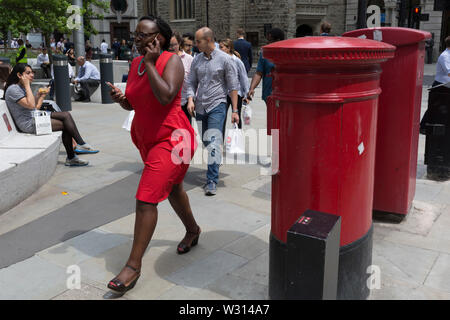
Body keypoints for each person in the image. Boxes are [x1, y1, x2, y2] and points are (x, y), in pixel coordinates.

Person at [106, 15, 200, 295]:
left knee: (146, 199)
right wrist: (123, 101)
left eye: (144, 35)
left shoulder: (171, 61)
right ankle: (193, 230)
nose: (137, 39)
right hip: (147, 139)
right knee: (173, 190)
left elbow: (166, 95)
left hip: (173, 139)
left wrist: (150, 62)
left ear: (159, 38)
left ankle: (132, 267)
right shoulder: (135, 64)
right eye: (136, 34)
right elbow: (138, 102)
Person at [3, 63, 98, 166]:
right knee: (65, 125)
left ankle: (80, 144)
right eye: (28, 73)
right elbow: (31, 105)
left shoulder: (19, 87)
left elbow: (33, 106)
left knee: (66, 115)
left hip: (34, 117)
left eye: (32, 72)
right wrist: (27, 85)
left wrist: (39, 95)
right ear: (19, 75)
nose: (32, 75)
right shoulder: (13, 89)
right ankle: (72, 156)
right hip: (28, 124)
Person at [186, 27, 239, 196]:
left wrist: (235, 110)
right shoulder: (197, 60)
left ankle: (211, 180)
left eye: (198, 41)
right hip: (201, 105)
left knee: (214, 142)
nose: (195, 44)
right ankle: (216, 158)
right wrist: (190, 99)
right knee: (206, 141)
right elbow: (191, 82)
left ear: (209, 40)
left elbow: (233, 86)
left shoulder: (225, 60)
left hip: (218, 104)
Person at [246, 28, 285, 107]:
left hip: (283, 93)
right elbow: (258, 73)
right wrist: (252, 88)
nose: (268, 42)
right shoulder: (264, 54)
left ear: (278, 40)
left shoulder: (287, 54)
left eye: (270, 40)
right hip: (268, 93)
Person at [420, 36, 450, 133]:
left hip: (447, 85)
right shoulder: (445, 56)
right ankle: (423, 126)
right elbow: (448, 71)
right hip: (440, 86)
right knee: (433, 107)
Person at [219, 38, 249, 133]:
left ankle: (238, 137)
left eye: (221, 47)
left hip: (237, 93)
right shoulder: (220, 60)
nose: (219, 49)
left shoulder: (237, 61)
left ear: (228, 48)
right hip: (224, 93)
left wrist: (246, 94)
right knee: (221, 117)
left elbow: (244, 77)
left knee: (236, 116)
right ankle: (220, 139)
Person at [168, 31, 193, 122]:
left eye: (174, 44)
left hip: (184, 102)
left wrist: (191, 100)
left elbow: (192, 81)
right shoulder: (164, 58)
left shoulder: (188, 59)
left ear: (179, 44)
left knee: (185, 132)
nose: (171, 47)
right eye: (169, 45)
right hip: (169, 103)